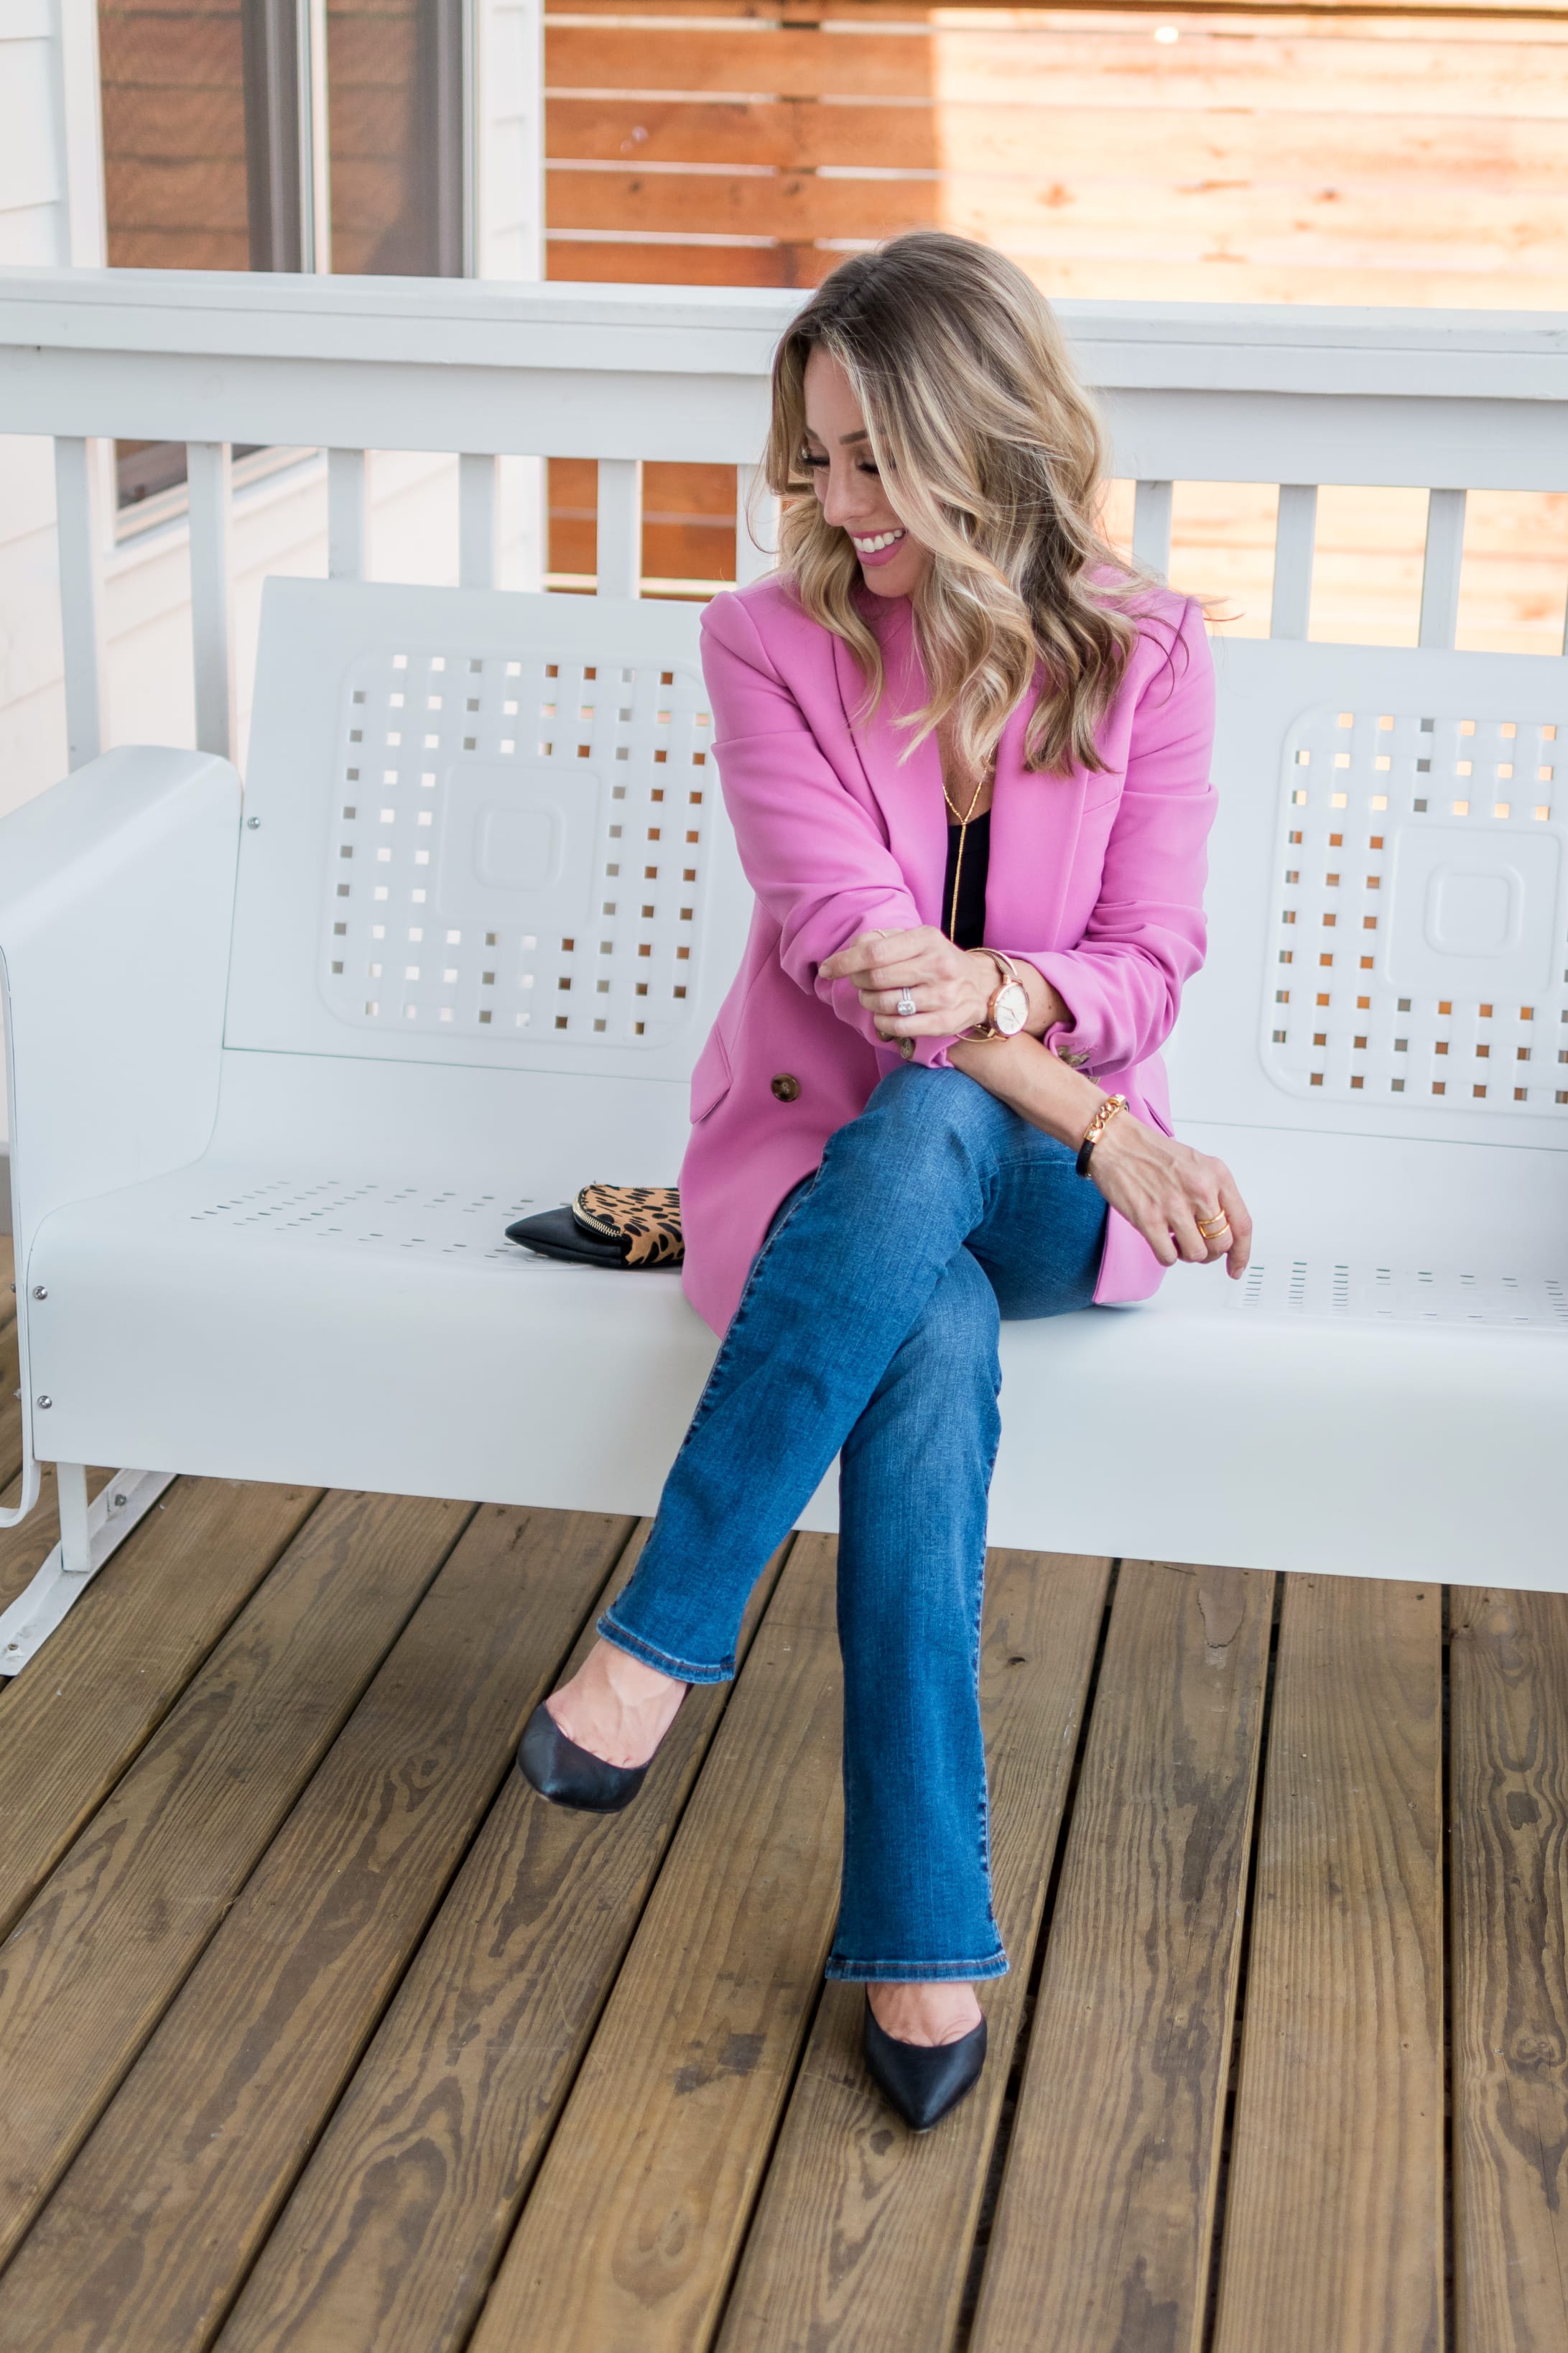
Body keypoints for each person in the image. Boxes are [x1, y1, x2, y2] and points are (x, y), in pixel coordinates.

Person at [519, 231, 1251, 2133]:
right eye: (815, 464)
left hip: (1033, 1180)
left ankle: (654, 1639)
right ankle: (926, 1934)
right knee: (918, 1326)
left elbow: (1153, 956)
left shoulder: (1150, 652)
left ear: (982, 441)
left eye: (871, 462)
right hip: (839, 1175)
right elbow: (851, 945)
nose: (836, 508)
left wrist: (1026, 1011)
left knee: (944, 1123)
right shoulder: (768, 642)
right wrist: (1109, 1112)